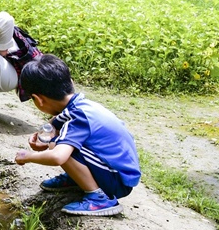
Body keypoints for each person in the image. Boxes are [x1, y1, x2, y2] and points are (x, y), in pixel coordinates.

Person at [13, 54, 140, 217]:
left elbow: (57, 157)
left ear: (38, 99)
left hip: (117, 180)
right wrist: (44, 134)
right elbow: (56, 122)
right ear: (70, 82)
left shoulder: (78, 117)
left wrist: (28, 156)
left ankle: (98, 198)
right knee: (56, 140)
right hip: (118, 171)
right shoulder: (80, 105)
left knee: (56, 144)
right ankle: (76, 179)